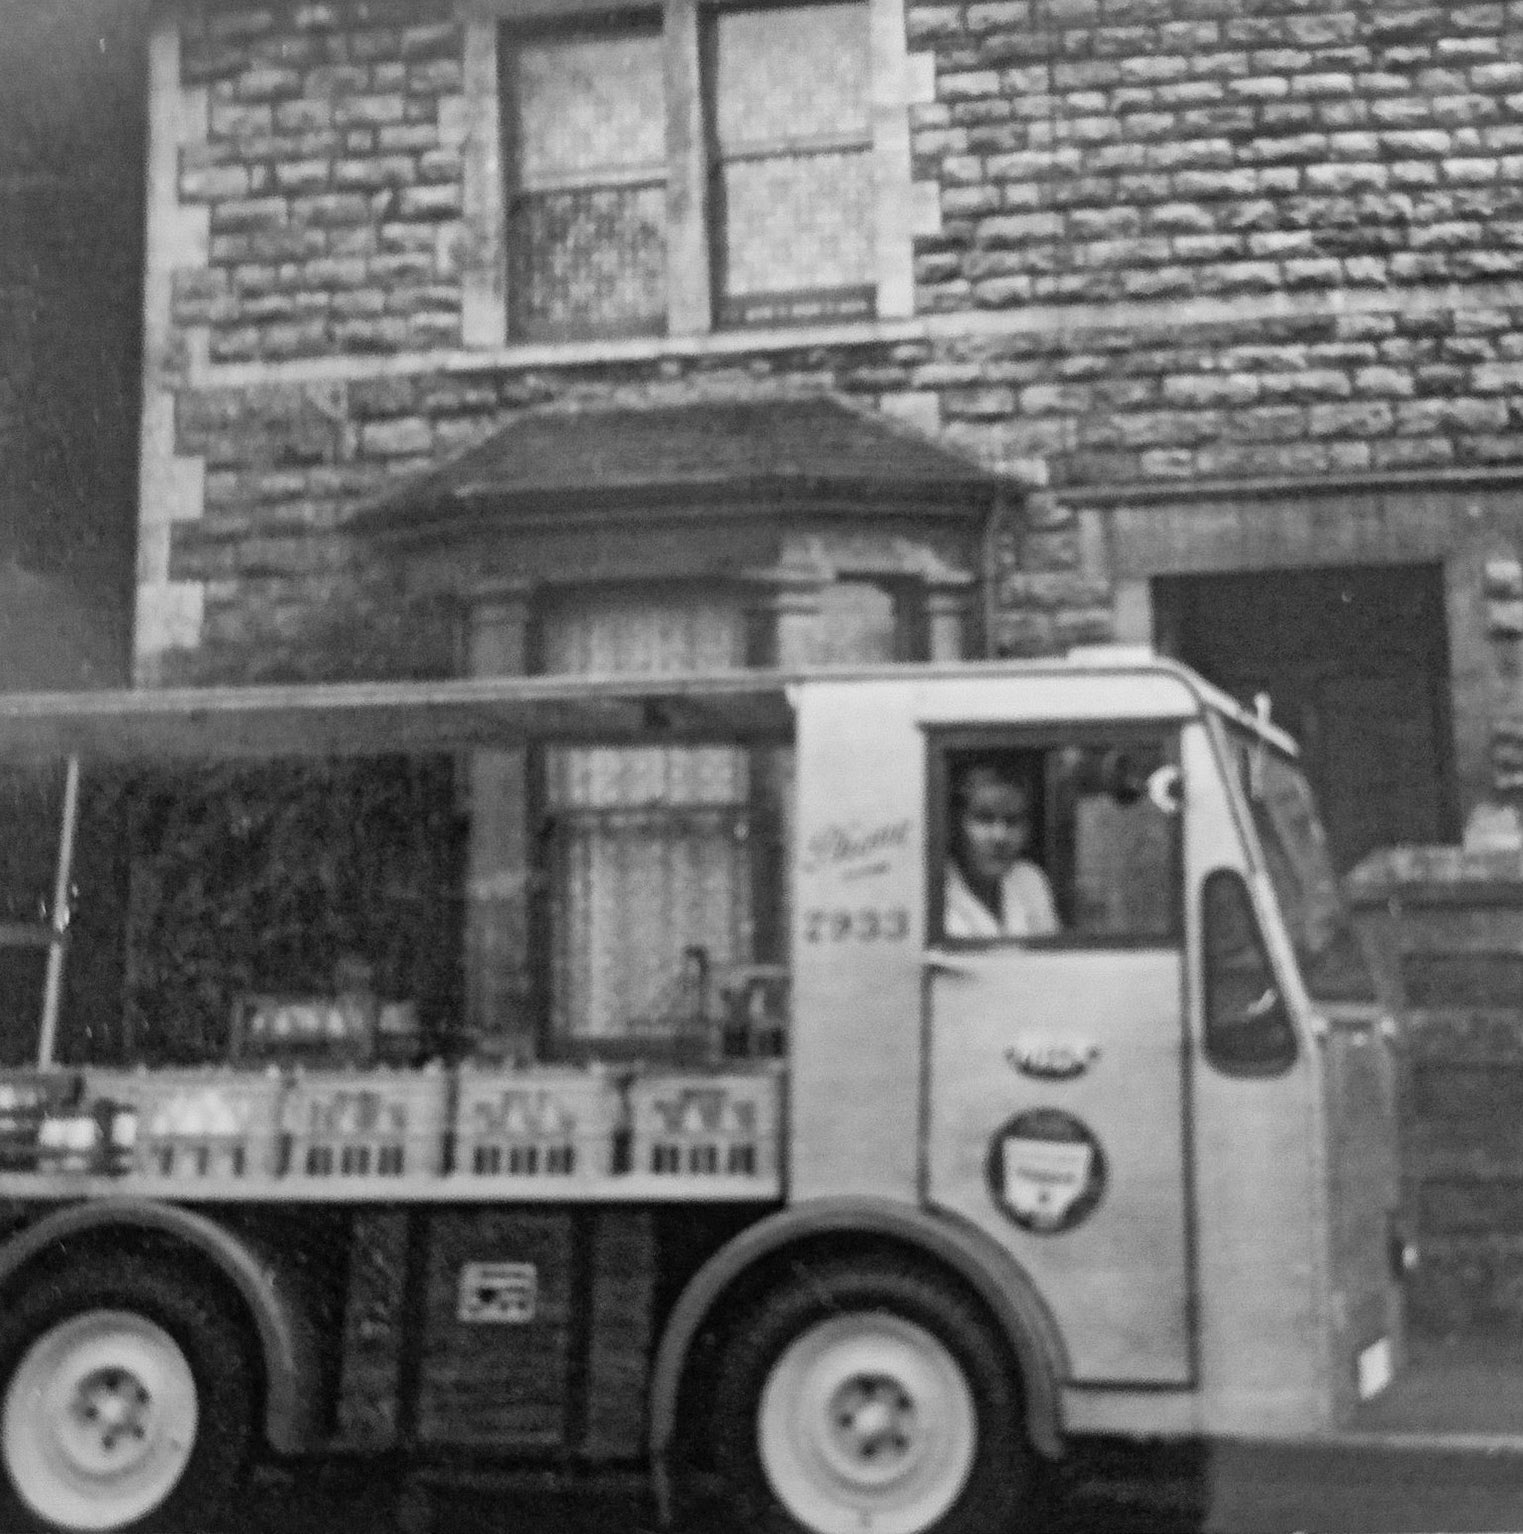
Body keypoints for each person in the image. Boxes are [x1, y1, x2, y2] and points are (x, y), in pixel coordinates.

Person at [945, 761, 1059, 939]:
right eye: (984, 819)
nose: (1000, 837)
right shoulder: (933, 889)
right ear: (955, 824)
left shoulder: (1030, 880)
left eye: (1012, 821)